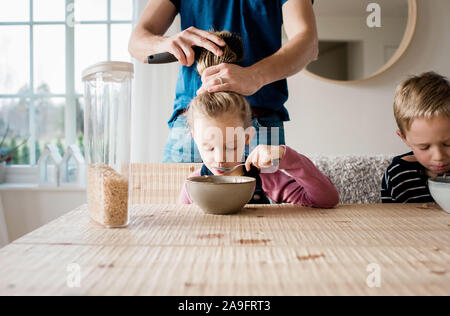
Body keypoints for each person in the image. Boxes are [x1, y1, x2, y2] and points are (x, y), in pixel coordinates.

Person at [129, 0, 318, 162]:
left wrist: (255, 76)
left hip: (259, 124)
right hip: (192, 125)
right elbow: (136, 42)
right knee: (169, 205)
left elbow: (308, 43)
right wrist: (165, 43)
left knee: (269, 205)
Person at [178, 91, 339, 207]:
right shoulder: (191, 184)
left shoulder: (268, 178)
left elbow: (327, 200)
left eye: (231, 146)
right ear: (195, 138)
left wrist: (287, 156)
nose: (220, 158)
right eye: (209, 148)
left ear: (247, 137)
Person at [381, 72, 450, 203]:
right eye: (424, 147)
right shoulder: (398, 174)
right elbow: (390, 220)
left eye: (448, 144)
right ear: (404, 138)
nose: (439, 156)